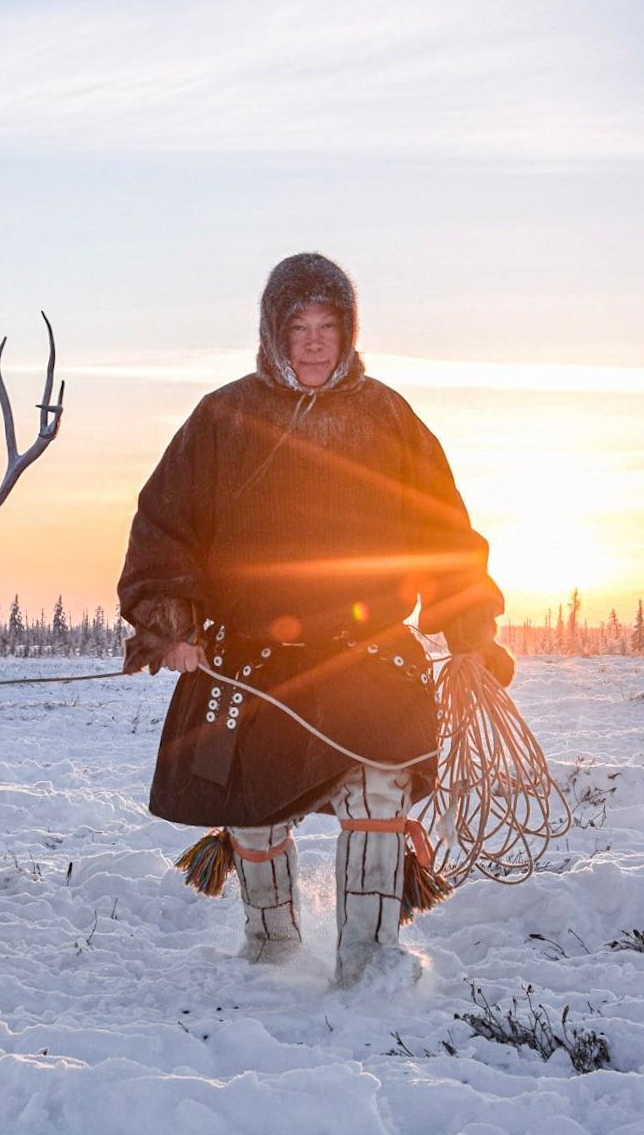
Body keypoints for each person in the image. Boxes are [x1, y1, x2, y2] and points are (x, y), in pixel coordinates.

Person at [118, 253, 513, 983]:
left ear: (348, 330)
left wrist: (466, 633)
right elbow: (165, 526)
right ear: (271, 332)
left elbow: (443, 532)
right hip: (250, 658)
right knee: (252, 810)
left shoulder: (387, 417)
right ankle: (269, 952)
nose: (311, 341)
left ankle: (370, 964)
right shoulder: (221, 417)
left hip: (366, 657)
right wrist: (171, 623)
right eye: (296, 326)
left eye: (326, 325)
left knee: (376, 791)